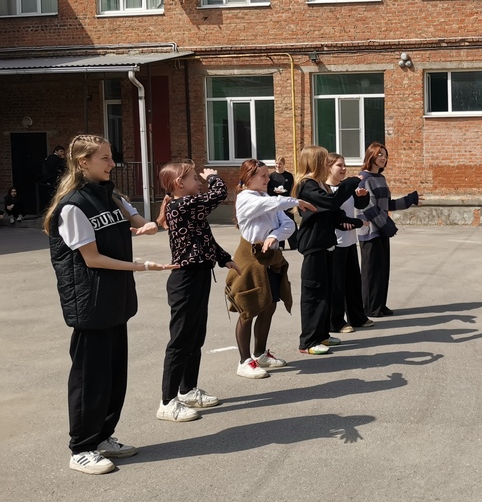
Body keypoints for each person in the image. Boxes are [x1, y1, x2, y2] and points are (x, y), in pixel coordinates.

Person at [44, 134, 175, 475]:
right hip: (90, 302)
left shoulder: (110, 195)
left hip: (115, 299)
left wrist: (148, 225)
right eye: (104, 158)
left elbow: (140, 223)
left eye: (111, 157)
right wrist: (142, 266)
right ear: (83, 162)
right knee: (91, 378)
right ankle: (81, 448)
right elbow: (93, 259)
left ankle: (102, 437)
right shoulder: (74, 206)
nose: (112, 163)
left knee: (115, 376)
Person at [155, 162, 238, 422]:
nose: (199, 182)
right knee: (180, 341)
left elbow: (204, 239)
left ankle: (188, 390)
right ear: (179, 183)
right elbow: (219, 194)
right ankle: (167, 402)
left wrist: (224, 258)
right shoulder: (180, 205)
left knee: (195, 338)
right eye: (194, 178)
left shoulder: (191, 209)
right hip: (185, 280)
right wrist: (213, 177)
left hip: (199, 275)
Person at [225, 159, 317, 378]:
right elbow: (272, 204)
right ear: (249, 178)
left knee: (269, 305)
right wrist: (296, 201)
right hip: (250, 258)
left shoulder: (265, 197)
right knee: (248, 308)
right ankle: (244, 361)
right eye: (263, 176)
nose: (268, 179)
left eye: (268, 175)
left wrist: (274, 236)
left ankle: (260, 354)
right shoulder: (246, 198)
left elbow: (288, 224)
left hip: (269, 256)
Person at [292, 146, 367, 355]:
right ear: (315, 162)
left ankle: (322, 334)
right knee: (313, 293)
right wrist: (351, 182)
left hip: (327, 243)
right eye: (325, 160)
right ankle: (308, 341)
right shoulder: (306, 185)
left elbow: (333, 213)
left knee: (325, 292)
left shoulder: (320, 185)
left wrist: (356, 222)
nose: (328, 164)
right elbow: (331, 202)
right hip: (314, 245)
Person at [357, 142, 419, 318]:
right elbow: (368, 207)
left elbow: (387, 204)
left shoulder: (380, 178)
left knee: (382, 270)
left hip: (381, 230)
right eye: (380, 155)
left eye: (385, 155)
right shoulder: (364, 178)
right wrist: (387, 226)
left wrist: (410, 199)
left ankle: (380, 304)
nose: (383, 158)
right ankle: (370, 307)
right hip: (370, 232)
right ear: (371, 156)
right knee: (371, 272)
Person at [327, 153, 375, 336]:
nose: (344, 168)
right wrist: (352, 222)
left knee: (353, 282)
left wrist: (362, 197)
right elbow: (334, 215)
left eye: (344, 164)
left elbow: (357, 205)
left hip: (350, 241)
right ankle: (336, 321)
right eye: (339, 165)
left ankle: (357, 317)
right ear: (328, 167)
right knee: (337, 285)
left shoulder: (345, 188)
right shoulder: (326, 190)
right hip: (335, 244)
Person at [267, 156, 298, 250]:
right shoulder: (272, 176)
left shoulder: (288, 176)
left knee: (290, 221)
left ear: (284, 165)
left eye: (280, 164)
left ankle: (294, 244)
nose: (278, 165)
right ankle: (280, 244)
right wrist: (273, 191)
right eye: (276, 164)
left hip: (286, 202)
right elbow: (268, 189)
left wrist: (291, 198)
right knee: (277, 223)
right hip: (276, 203)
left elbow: (292, 188)